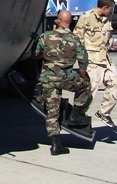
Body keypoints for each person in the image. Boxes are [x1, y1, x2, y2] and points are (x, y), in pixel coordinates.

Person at [33, 9, 92, 156]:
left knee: (52, 112)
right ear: (69, 22)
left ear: (57, 21)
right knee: (85, 86)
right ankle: (76, 114)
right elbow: (83, 61)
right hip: (67, 78)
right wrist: (83, 77)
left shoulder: (46, 37)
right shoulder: (74, 38)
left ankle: (56, 144)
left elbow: (35, 54)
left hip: (49, 80)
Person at [73, 0, 117, 127]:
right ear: (105, 7)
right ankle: (79, 113)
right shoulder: (86, 17)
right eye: (110, 9)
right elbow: (77, 39)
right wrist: (81, 61)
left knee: (115, 82)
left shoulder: (107, 18)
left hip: (105, 58)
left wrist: (111, 42)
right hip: (92, 60)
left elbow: (107, 36)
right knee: (91, 88)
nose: (111, 12)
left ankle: (104, 113)